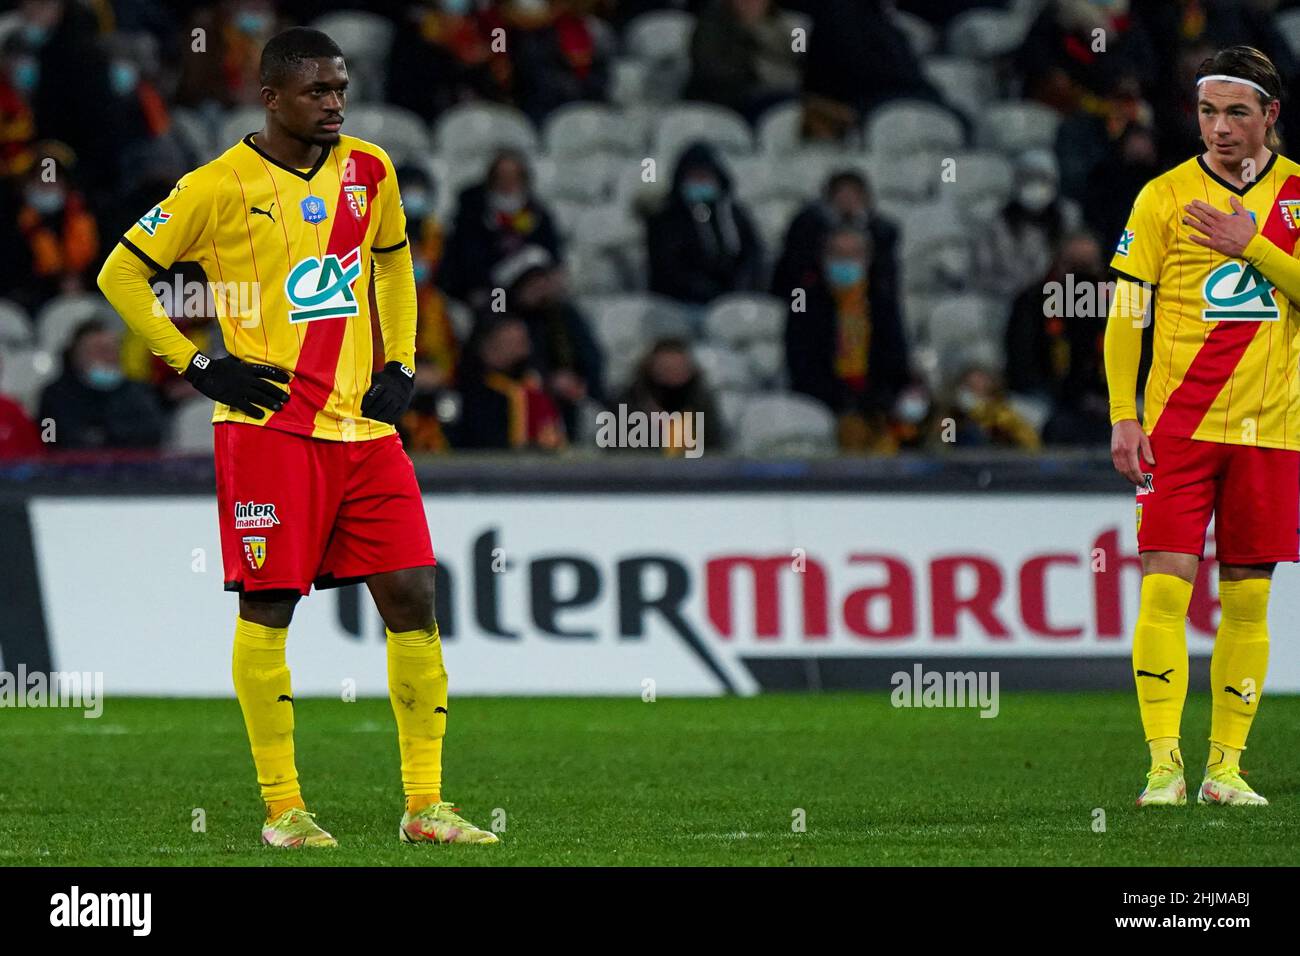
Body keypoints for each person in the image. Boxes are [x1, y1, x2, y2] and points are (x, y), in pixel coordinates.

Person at [96, 27, 497, 848]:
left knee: (415, 595)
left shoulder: (371, 169)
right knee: (271, 607)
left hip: (363, 426)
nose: (335, 103)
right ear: (270, 97)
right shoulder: (215, 186)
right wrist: (199, 364)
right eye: (317, 91)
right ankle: (284, 810)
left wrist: (403, 360)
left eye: (340, 88)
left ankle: (425, 807)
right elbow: (120, 272)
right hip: (268, 428)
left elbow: (393, 264)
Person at [1106, 46, 1300, 809]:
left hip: (1273, 429)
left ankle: (1226, 769)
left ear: (1271, 116)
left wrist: (1248, 245)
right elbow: (1127, 313)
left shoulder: (1296, 198)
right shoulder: (1162, 195)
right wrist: (1124, 413)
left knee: (1248, 600)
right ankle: (1164, 768)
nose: (1219, 128)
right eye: (1208, 112)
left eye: (1237, 113)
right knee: (1164, 592)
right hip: (1177, 429)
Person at [785, 226, 909, 451]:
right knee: (852, 430)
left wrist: (875, 402)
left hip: (876, 405)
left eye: (853, 255)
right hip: (824, 404)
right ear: (824, 259)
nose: (846, 262)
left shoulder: (882, 302)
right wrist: (844, 404)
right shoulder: (804, 304)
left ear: (867, 259)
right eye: (838, 255)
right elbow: (802, 368)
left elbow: (897, 362)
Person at [438, 148, 563, 309]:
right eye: (502, 176)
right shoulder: (473, 213)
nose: (508, 182)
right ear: (492, 179)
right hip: (491, 290)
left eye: (514, 176)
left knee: (558, 311)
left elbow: (552, 254)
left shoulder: (536, 214)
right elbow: (467, 262)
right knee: (499, 311)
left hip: (532, 288)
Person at [646, 141, 763, 306]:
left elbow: (752, 256)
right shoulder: (665, 219)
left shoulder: (734, 215)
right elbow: (667, 270)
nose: (700, 182)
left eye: (705, 177)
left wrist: (739, 288)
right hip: (682, 304)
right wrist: (706, 292)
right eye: (694, 177)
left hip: (734, 300)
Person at [37, 318, 165, 450]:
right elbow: (51, 441)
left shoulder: (139, 393)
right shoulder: (55, 396)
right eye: (98, 350)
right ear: (76, 356)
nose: (107, 357)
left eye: (111, 350)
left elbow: (152, 435)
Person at [449, 313, 566, 450]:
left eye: (522, 342)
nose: (524, 350)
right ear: (488, 345)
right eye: (513, 342)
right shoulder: (466, 389)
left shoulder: (532, 384)